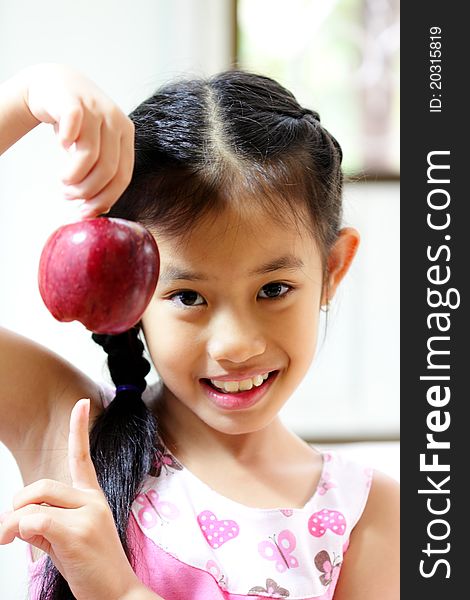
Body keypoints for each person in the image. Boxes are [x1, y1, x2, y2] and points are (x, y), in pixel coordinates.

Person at [0, 63, 399, 600]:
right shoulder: (73, 434)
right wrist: (27, 96)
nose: (236, 344)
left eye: (274, 289)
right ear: (131, 292)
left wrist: (117, 591)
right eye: (189, 297)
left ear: (333, 271)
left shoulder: (363, 517)